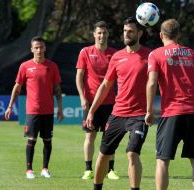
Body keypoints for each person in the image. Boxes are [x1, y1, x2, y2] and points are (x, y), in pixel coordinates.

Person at [145, 19, 194, 190]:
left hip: (171, 114)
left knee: (162, 161)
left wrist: (149, 110)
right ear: (178, 35)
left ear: (161, 35)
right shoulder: (193, 54)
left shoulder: (156, 54)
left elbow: (151, 83)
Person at [86, 17, 151, 190]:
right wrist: (92, 110)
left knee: (132, 153)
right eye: (125, 31)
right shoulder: (117, 57)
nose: (127, 34)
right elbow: (105, 85)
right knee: (103, 155)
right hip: (117, 114)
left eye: (130, 31)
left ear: (140, 33)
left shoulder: (149, 56)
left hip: (139, 115)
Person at [5, 36, 63, 179]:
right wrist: (10, 106)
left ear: (45, 48)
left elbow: (57, 89)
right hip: (32, 111)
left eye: (41, 47)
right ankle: (29, 170)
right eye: (36, 47)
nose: (39, 50)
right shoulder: (25, 66)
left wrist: (60, 108)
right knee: (31, 140)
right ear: (31, 49)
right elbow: (17, 87)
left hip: (48, 110)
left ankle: (45, 169)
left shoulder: (52, 66)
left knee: (47, 140)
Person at [76, 21, 119, 180]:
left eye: (105, 33)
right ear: (94, 34)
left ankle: (111, 170)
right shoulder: (85, 52)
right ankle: (88, 169)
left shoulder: (115, 54)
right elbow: (79, 77)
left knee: (110, 137)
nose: (102, 36)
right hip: (90, 102)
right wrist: (82, 97)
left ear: (108, 35)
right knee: (90, 136)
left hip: (110, 103)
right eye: (99, 33)